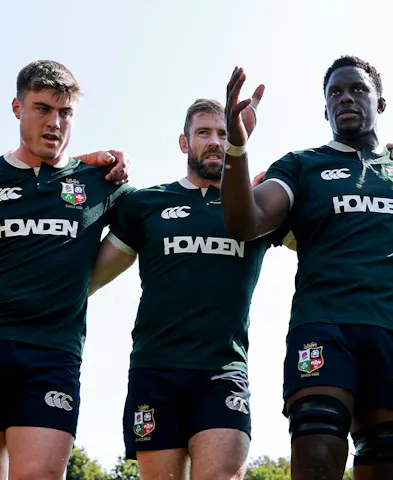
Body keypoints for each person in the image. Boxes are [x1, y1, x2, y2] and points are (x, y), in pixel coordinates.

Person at [219, 56, 393, 480]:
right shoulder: (300, 165)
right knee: (316, 461)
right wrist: (237, 148)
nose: (345, 97)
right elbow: (245, 222)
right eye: (335, 93)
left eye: (357, 89)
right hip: (323, 329)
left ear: (380, 104)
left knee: (386, 466)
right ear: (324, 109)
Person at [85, 95, 286, 479]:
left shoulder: (257, 208)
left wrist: (392, 153)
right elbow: (86, 281)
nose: (214, 141)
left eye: (223, 133)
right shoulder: (146, 205)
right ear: (184, 142)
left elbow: (325, 221)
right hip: (155, 370)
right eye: (203, 132)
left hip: (222, 371)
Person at [0, 60, 133, 480]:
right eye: (42, 109)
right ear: (17, 107)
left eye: (65, 112)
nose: (55, 122)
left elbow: (161, 218)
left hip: (52, 354)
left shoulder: (100, 182)